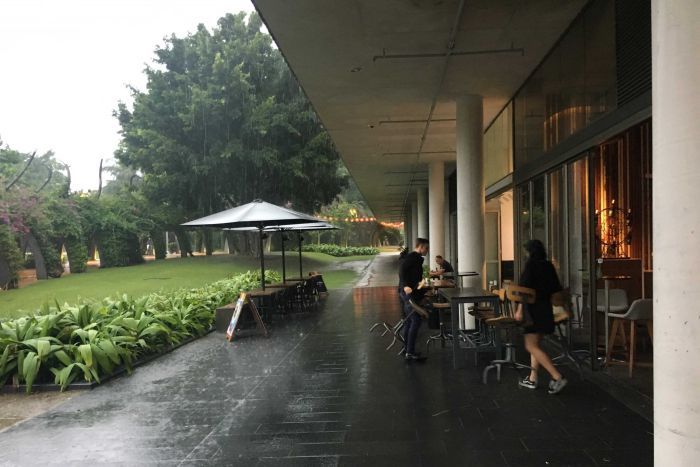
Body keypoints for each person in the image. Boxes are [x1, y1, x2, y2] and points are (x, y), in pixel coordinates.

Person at [514, 239, 568, 394]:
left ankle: (557, 376)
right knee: (536, 346)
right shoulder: (548, 265)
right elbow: (556, 288)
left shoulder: (531, 266)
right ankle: (532, 378)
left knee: (530, 345)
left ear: (530, 252)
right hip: (545, 310)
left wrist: (518, 310)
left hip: (532, 310)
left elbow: (524, 291)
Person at [398, 237, 429, 360]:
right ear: (420, 247)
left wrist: (421, 285)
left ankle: (407, 349)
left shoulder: (416, 259)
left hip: (409, 293)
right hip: (407, 294)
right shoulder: (412, 257)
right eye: (426, 248)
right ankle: (409, 352)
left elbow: (413, 275)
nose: (427, 250)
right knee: (415, 321)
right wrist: (405, 286)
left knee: (411, 321)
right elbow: (402, 271)